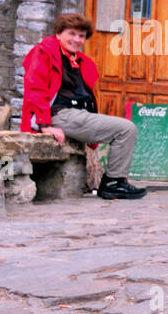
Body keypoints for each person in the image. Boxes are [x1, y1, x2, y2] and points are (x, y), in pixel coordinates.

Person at [21, 13, 147, 199]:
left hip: (74, 114)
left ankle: (116, 180)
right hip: (58, 114)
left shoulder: (80, 61)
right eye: (71, 33)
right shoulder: (44, 52)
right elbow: (35, 88)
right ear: (58, 33)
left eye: (81, 36)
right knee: (126, 129)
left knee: (125, 128)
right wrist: (45, 124)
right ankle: (113, 183)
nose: (77, 39)